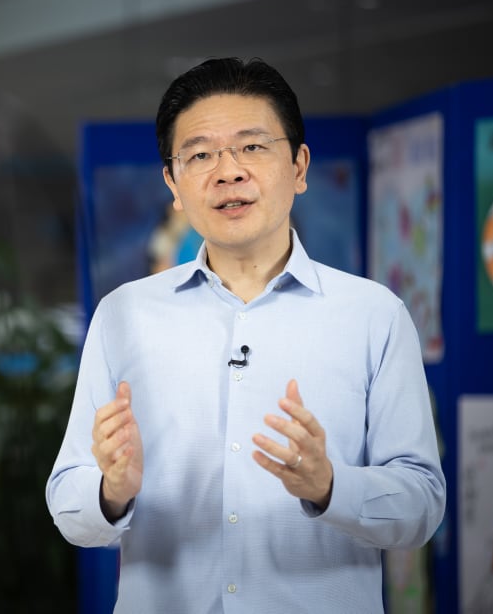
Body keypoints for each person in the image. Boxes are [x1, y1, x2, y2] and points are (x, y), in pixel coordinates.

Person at [46, 57, 446, 613]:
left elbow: (423, 506)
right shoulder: (123, 316)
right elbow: (68, 504)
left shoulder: (374, 315)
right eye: (200, 154)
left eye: (252, 147)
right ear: (174, 185)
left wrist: (330, 487)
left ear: (300, 166)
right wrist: (112, 490)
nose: (228, 171)